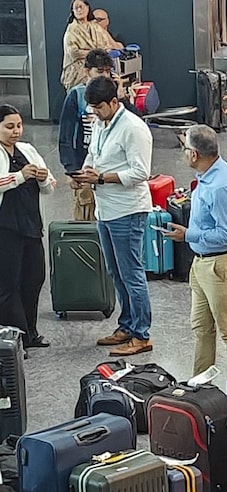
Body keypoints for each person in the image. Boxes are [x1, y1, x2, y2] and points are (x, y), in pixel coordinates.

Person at [71, 76, 155, 356]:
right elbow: (93, 155)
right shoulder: (99, 123)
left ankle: (142, 334)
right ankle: (127, 325)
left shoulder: (134, 129)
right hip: (105, 209)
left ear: (114, 102)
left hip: (128, 211)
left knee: (132, 274)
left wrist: (102, 178)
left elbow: (141, 172)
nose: (94, 112)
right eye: (91, 107)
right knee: (115, 272)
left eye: (99, 107)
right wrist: (84, 175)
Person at [164, 125, 227, 379]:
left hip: (221, 265)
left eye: (185, 149)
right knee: (201, 328)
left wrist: (188, 235)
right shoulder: (209, 174)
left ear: (194, 154)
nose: (183, 154)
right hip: (203, 262)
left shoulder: (220, 185)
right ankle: (200, 388)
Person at [0, 104, 55, 351]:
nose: (16, 131)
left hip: (31, 225)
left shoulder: (28, 150)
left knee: (34, 279)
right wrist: (20, 176)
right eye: (9, 127)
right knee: (8, 284)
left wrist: (44, 179)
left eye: (19, 126)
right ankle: (14, 339)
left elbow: (51, 185)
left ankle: (30, 333)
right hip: (6, 228)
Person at [59, 48, 112, 222]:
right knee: (86, 218)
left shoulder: (115, 94)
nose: (104, 75)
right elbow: (66, 136)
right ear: (87, 71)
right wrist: (72, 170)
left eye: (107, 71)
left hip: (110, 170)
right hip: (84, 168)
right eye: (99, 71)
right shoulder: (77, 95)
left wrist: (123, 97)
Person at [61, 0, 113, 89]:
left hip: (99, 68)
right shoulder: (71, 30)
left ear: (87, 8)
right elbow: (74, 53)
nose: (79, 10)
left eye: (81, 7)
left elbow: (107, 47)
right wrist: (96, 52)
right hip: (78, 72)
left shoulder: (96, 27)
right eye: (76, 8)